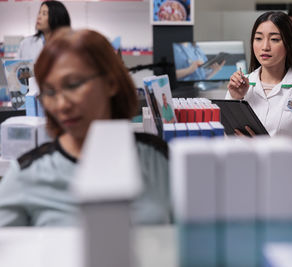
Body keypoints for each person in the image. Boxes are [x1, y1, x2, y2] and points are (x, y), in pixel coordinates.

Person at [0, 28, 170, 226]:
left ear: (111, 82)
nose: (61, 105)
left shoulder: (159, 160)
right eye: (49, 92)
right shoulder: (27, 175)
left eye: (73, 85)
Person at [226, 11, 292, 138]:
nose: (265, 46)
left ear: (289, 44)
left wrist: (265, 148)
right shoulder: (238, 88)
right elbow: (225, 140)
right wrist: (235, 99)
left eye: (274, 39)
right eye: (258, 38)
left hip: (283, 159)